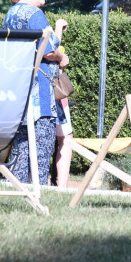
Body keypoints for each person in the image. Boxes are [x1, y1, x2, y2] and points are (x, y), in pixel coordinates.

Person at [3, 0, 69, 185]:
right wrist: (61, 57)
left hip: (19, 92)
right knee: (41, 149)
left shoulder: (10, 14)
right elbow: (49, 50)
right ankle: (39, 190)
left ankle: (16, 189)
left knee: (21, 148)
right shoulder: (34, 14)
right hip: (40, 96)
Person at [52, 19, 74, 188]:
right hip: (52, 91)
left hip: (53, 92)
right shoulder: (37, 19)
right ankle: (62, 186)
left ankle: (61, 186)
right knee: (65, 138)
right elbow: (52, 49)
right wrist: (58, 27)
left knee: (65, 137)